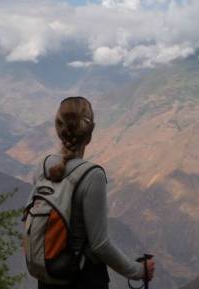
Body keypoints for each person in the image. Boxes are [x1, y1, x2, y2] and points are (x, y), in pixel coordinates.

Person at [34, 96, 156, 289]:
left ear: (59, 130)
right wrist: (139, 271)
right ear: (90, 134)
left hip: (49, 277)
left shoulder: (44, 165)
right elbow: (100, 245)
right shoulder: (92, 176)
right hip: (84, 280)